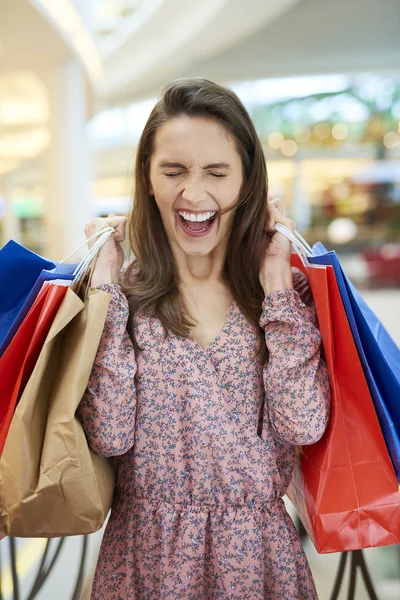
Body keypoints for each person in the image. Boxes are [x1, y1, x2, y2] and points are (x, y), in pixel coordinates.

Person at [79, 78, 330, 600]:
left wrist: (278, 281)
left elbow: (303, 423)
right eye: (173, 171)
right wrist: (104, 283)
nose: (194, 194)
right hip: (144, 561)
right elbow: (108, 435)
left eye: (217, 172)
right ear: (147, 179)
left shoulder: (283, 298)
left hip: (259, 564)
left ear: (247, 180)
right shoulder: (123, 298)